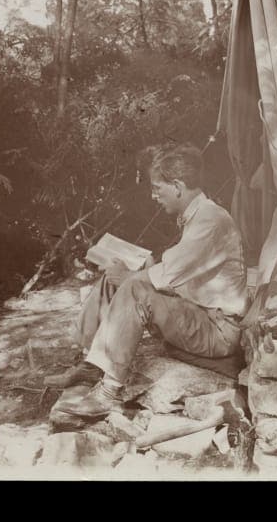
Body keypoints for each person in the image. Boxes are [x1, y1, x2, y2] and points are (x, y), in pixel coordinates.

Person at [45, 143, 249, 418]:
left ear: (177, 186)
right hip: (201, 314)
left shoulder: (210, 220)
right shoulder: (197, 215)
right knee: (114, 278)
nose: (153, 196)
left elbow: (168, 275)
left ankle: (109, 392)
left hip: (217, 329)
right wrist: (130, 271)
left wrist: (132, 276)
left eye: (157, 188)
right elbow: (181, 269)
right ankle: (90, 365)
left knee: (133, 286)